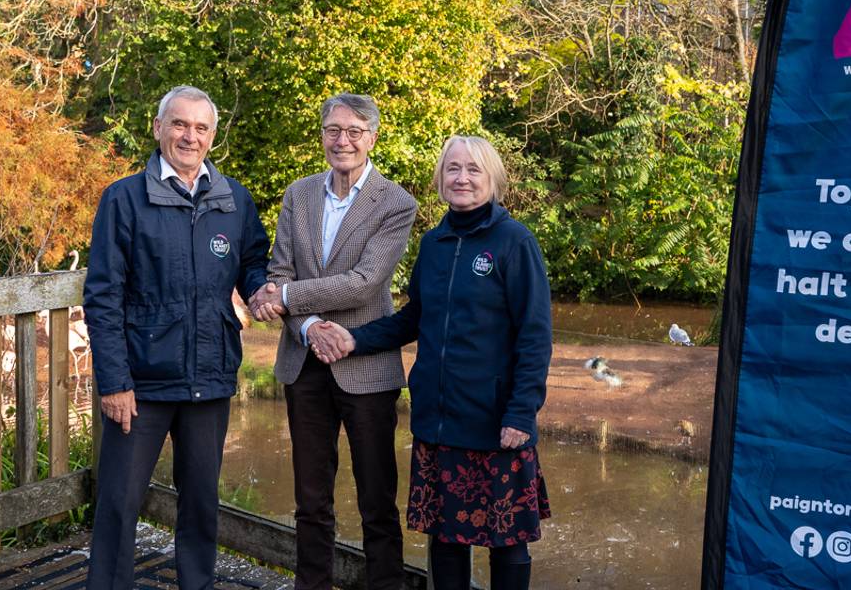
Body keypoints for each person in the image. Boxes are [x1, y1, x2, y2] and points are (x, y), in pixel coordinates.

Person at [315, 135, 553, 590]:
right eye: (453, 169)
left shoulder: (515, 242)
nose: (462, 178)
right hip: (440, 420)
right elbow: (412, 319)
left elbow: (535, 335)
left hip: (498, 422)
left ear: (493, 179)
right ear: (440, 179)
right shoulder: (435, 242)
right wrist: (353, 339)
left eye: (473, 169)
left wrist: (522, 411)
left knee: (507, 541)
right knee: (446, 538)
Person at [83, 85, 271, 590]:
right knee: (120, 502)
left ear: (213, 137)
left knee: (201, 503)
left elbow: (253, 264)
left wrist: (261, 293)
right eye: (180, 124)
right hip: (140, 384)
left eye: (201, 127)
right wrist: (114, 381)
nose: (190, 136)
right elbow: (102, 297)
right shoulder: (124, 199)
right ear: (159, 128)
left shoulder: (234, 200)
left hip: (210, 376)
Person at [247, 93, 417, 590]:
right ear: (322, 133)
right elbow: (278, 267)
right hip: (304, 363)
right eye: (333, 130)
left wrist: (289, 296)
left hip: (366, 365)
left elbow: (365, 282)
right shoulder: (298, 194)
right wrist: (307, 326)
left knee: (377, 501)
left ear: (373, 138)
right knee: (311, 500)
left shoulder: (395, 203)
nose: (342, 140)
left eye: (354, 131)